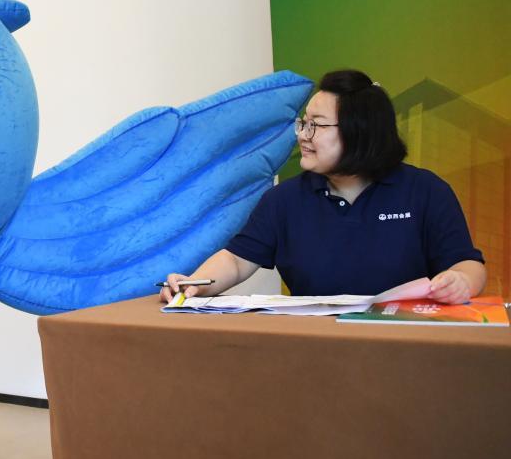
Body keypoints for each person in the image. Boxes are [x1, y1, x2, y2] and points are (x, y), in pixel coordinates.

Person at [162, 69, 486, 305]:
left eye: (315, 125)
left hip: (405, 345)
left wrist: (461, 281)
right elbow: (236, 261)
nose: (303, 135)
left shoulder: (426, 191)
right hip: (316, 350)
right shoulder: (284, 200)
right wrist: (194, 285)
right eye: (303, 123)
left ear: (359, 131)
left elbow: (468, 265)